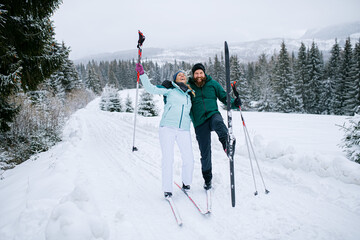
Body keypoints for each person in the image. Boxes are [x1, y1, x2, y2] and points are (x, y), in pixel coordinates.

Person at [135, 63, 195, 198]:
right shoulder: (169, 90)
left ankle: (186, 183)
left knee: (189, 158)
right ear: (175, 79)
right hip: (167, 127)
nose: (182, 76)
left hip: (183, 129)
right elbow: (150, 89)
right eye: (179, 75)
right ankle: (167, 189)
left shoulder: (189, 94)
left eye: (184, 75)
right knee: (168, 158)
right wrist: (142, 74)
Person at [188, 63, 241, 190]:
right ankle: (207, 179)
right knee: (205, 153)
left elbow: (224, 97)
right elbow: (178, 95)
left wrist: (235, 103)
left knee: (219, 123)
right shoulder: (189, 87)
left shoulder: (212, 84)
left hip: (212, 115)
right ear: (193, 75)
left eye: (201, 73)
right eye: (196, 73)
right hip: (199, 122)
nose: (199, 75)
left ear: (204, 73)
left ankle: (227, 145)